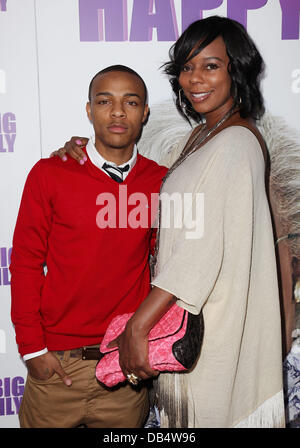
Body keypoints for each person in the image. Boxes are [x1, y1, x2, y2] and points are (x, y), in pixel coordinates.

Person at [55, 17, 286, 428]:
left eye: (211, 66)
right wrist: (82, 152)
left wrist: (137, 329)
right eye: (186, 66)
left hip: (212, 332)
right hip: (190, 325)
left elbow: (200, 252)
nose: (195, 78)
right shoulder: (204, 136)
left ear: (237, 69)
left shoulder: (234, 142)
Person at [10, 65, 167, 428]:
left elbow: (167, 265)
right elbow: (25, 263)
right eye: (104, 101)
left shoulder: (160, 181)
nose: (116, 112)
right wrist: (33, 350)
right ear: (88, 110)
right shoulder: (51, 173)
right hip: (57, 368)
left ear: (144, 112)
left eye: (130, 102)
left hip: (125, 367)